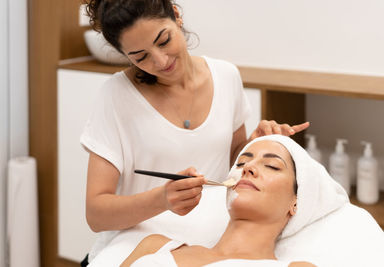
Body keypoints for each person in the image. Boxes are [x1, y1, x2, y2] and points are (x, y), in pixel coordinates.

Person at [81, 0, 309, 262]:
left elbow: (232, 160)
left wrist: (253, 147)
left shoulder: (226, 77)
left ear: (176, 16)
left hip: (205, 244)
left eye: (164, 40)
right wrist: (162, 200)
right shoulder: (116, 96)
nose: (161, 60)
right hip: (135, 247)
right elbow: (96, 215)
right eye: (141, 57)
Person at [120, 136, 316, 267]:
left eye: (272, 166)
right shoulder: (155, 247)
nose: (248, 168)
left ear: (295, 202)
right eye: (241, 163)